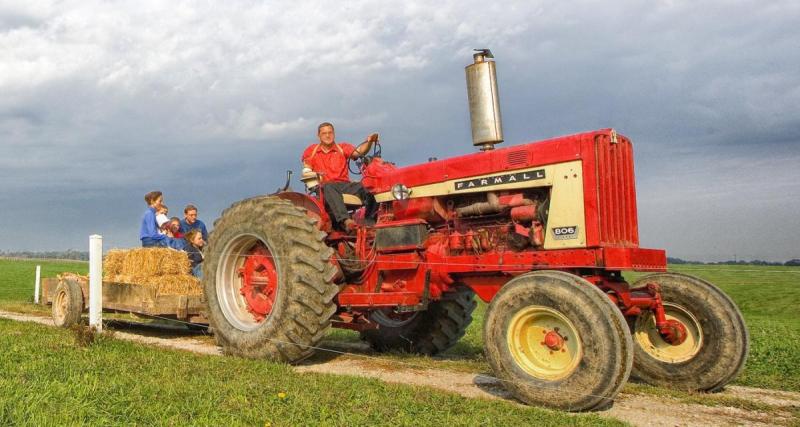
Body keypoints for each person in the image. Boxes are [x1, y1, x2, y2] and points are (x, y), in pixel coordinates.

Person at [301, 122, 379, 231]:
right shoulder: (312, 151)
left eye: (330, 133)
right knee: (329, 186)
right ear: (318, 136)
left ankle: (370, 219)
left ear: (334, 134)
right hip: (324, 187)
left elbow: (359, 152)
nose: (327, 136)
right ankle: (345, 220)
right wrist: (313, 176)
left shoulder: (342, 148)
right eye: (324, 133)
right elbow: (306, 170)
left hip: (344, 185)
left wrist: (369, 141)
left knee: (370, 186)